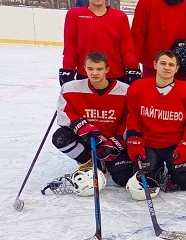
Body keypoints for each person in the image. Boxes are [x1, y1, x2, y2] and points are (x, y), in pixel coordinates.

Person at [52, 50, 134, 186]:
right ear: (84, 69)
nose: (94, 73)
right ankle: (91, 161)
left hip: (113, 143)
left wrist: (117, 141)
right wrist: (80, 125)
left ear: (107, 69)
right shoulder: (70, 88)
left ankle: (108, 161)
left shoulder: (125, 91)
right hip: (88, 140)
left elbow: (131, 120)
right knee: (60, 137)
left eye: (99, 69)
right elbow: (63, 115)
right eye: (90, 68)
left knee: (123, 178)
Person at [125, 49, 186, 191]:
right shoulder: (138, 88)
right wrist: (134, 141)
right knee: (144, 182)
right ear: (155, 65)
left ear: (177, 68)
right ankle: (156, 167)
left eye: (171, 65)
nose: (167, 67)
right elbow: (133, 117)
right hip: (149, 143)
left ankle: (170, 171)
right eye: (163, 63)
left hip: (174, 143)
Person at [60, 0, 138, 86]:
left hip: (116, 75)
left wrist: (132, 67)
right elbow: (70, 46)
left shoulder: (119, 17)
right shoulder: (74, 15)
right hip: (86, 75)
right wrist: (67, 69)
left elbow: (127, 47)